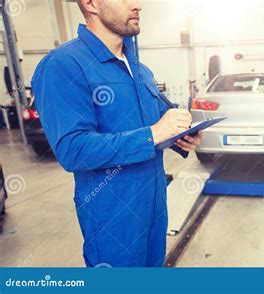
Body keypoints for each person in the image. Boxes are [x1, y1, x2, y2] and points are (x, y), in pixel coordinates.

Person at [32, 0, 201, 267]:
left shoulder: (140, 69)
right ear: (91, 4)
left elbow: (160, 119)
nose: (137, 5)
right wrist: (153, 135)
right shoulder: (63, 65)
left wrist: (182, 135)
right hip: (113, 217)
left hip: (155, 206)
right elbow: (73, 149)